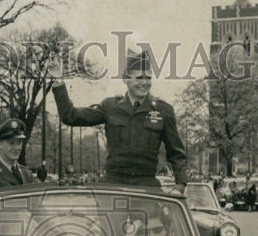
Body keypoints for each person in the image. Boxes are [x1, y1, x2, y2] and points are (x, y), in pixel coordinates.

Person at [51, 49, 187, 189]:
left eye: (148, 77)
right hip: (112, 184)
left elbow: (176, 153)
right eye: (139, 78)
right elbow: (70, 117)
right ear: (125, 79)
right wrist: (58, 81)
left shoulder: (163, 110)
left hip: (147, 186)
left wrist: (181, 184)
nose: (144, 82)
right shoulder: (110, 107)